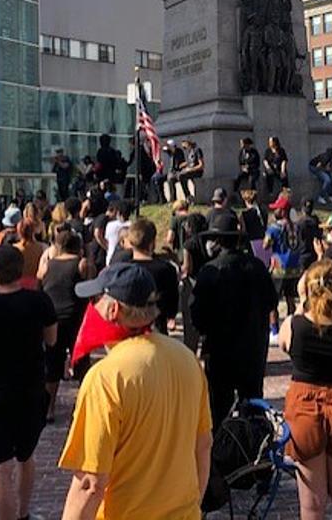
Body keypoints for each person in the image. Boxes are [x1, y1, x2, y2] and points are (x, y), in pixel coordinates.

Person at [58, 263, 213, 520]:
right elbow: (204, 445)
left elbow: (90, 483)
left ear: (112, 309)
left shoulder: (106, 377)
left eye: (95, 300)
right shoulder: (187, 360)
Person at [0, 245, 57, 520]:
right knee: (26, 457)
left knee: (0, 466)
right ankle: (23, 514)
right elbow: (51, 340)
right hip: (30, 388)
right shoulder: (39, 301)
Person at [279, 260, 332, 520]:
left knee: (312, 506)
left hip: (304, 402)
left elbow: (284, 344)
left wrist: (302, 298)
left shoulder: (294, 325)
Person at [192, 215, 278, 426]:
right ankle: (254, 447)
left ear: (218, 242)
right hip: (253, 348)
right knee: (253, 403)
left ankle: (222, 451)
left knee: (219, 406)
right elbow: (271, 302)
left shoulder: (210, 271)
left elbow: (197, 313)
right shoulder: (256, 267)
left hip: (221, 349)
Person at [38, 227, 90, 422]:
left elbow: (40, 284)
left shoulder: (48, 265)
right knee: (81, 364)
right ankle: (84, 406)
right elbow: (89, 288)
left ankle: (49, 409)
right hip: (76, 319)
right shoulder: (81, 264)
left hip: (53, 319)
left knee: (52, 366)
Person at [126, 218, 179, 335]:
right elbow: (172, 309)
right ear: (152, 243)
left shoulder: (123, 269)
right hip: (157, 330)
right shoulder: (167, 269)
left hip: (128, 331)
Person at [265, 196, 302, 339]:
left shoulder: (274, 228)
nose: (274, 211)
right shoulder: (296, 226)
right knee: (291, 299)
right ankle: (291, 327)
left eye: (277, 209)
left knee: (273, 302)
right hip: (294, 268)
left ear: (282, 211)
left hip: (278, 269)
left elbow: (266, 245)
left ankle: (274, 330)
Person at [179, 213, 210, 353]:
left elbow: (187, 267)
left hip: (193, 283)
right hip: (208, 281)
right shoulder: (210, 241)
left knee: (191, 322)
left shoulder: (189, 244)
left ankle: (190, 353)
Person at [14, 218, 45, 292]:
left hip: (18, 286)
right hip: (37, 285)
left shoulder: (14, 249)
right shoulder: (43, 248)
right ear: (33, 231)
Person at [102, 200, 130, 264]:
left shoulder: (110, 225)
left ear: (118, 213)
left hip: (111, 257)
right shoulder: (132, 226)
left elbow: (107, 240)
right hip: (127, 258)